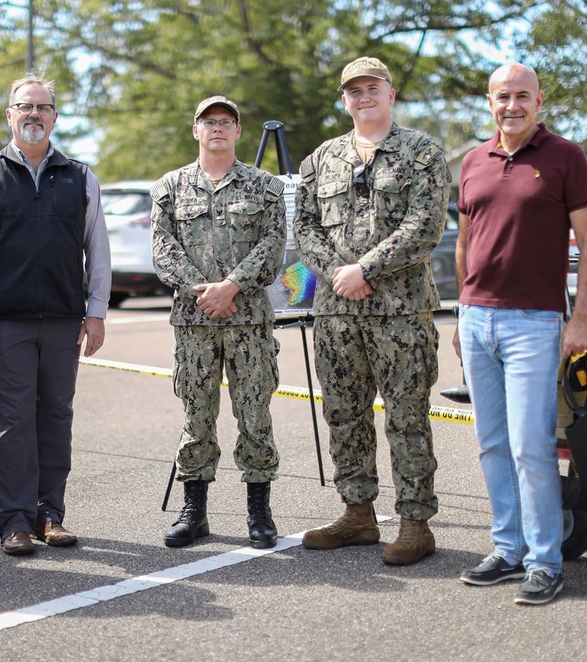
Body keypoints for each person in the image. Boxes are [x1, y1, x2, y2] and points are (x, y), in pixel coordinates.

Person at [454, 63, 587, 605]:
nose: (511, 106)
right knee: (492, 443)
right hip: (477, 320)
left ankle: (545, 561)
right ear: (489, 101)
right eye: (501, 97)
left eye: (521, 96)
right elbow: (467, 242)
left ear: (539, 100)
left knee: (530, 447)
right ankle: (508, 549)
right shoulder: (472, 162)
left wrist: (579, 318)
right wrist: (463, 310)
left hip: (534, 324)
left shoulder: (565, 157)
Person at [294, 57, 449, 565]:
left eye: (373, 87)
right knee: (343, 414)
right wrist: (342, 273)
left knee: (406, 416)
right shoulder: (321, 159)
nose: (364, 96)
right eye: (354, 90)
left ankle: (414, 523)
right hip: (338, 314)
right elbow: (307, 227)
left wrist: (366, 269)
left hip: (400, 312)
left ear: (391, 93)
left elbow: (426, 225)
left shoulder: (422, 153)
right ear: (345, 99)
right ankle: (357, 514)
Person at [0, 71, 111, 556]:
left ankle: (50, 515)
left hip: (64, 322)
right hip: (7, 323)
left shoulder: (80, 176)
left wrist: (97, 311)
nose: (34, 114)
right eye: (26, 106)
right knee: (12, 420)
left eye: (43, 107)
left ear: (55, 117)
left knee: (56, 418)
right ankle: (16, 522)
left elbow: (97, 249)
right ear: (10, 114)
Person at [151, 95, 287, 549]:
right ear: (196, 130)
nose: (217, 128)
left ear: (238, 131)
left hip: (248, 320)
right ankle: (195, 513)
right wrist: (203, 292)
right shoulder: (169, 188)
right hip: (194, 323)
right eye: (208, 121)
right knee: (196, 414)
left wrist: (230, 286)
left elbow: (272, 248)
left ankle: (259, 511)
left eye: (226, 121)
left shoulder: (264, 187)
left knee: (254, 415)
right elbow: (163, 249)